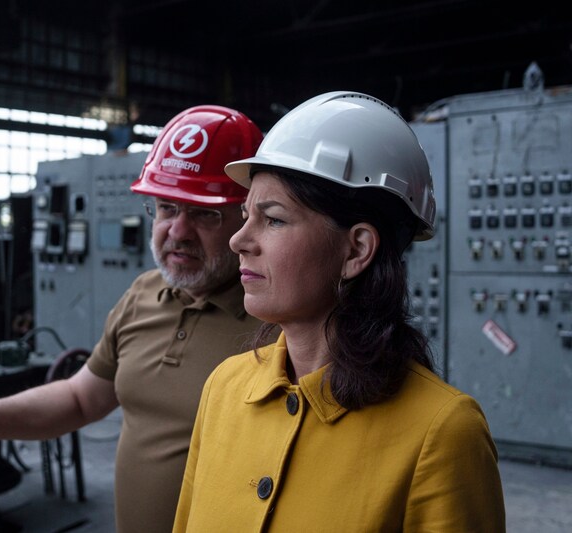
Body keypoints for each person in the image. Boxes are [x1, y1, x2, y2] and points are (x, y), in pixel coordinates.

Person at [0, 105, 267, 532]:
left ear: (248, 218)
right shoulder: (143, 295)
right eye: (166, 208)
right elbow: (81, 399)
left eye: (204, 213)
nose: (177, 230)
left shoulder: (277, 322)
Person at [173, 91, 506, 532]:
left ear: (357, 250)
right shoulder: (224, 389)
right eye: (245, 214)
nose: (240, 240)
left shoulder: (442, 434)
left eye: (273, 219)